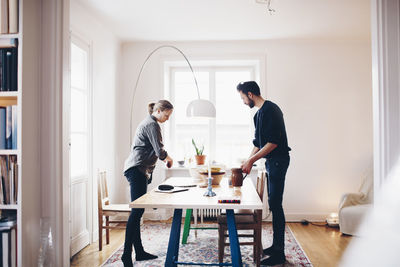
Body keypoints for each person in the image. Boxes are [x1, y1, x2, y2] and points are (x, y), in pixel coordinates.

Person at [237, 81, 291, 266]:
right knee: (274, 205)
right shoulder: (258, 115)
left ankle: (279, 252)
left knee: (276, 205)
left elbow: (273, 142)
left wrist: (252, 161)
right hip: (271, 162)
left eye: (243, 97)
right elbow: (258, 143)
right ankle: (276, 248)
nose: (243, 101)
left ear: (250, 94)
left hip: (278, 161)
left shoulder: (271, 110)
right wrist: (247, 160)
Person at [121, 100, 174, 267]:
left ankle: (140, 251)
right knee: (136, 212)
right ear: (158, 111)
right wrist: (169, 158)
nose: (167, 118)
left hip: (138, 169)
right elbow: (159, 151)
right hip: (136, 169)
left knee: (139, 210)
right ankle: (126, 255)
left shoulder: (151, 123)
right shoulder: (152, 125)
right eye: (166, 115)